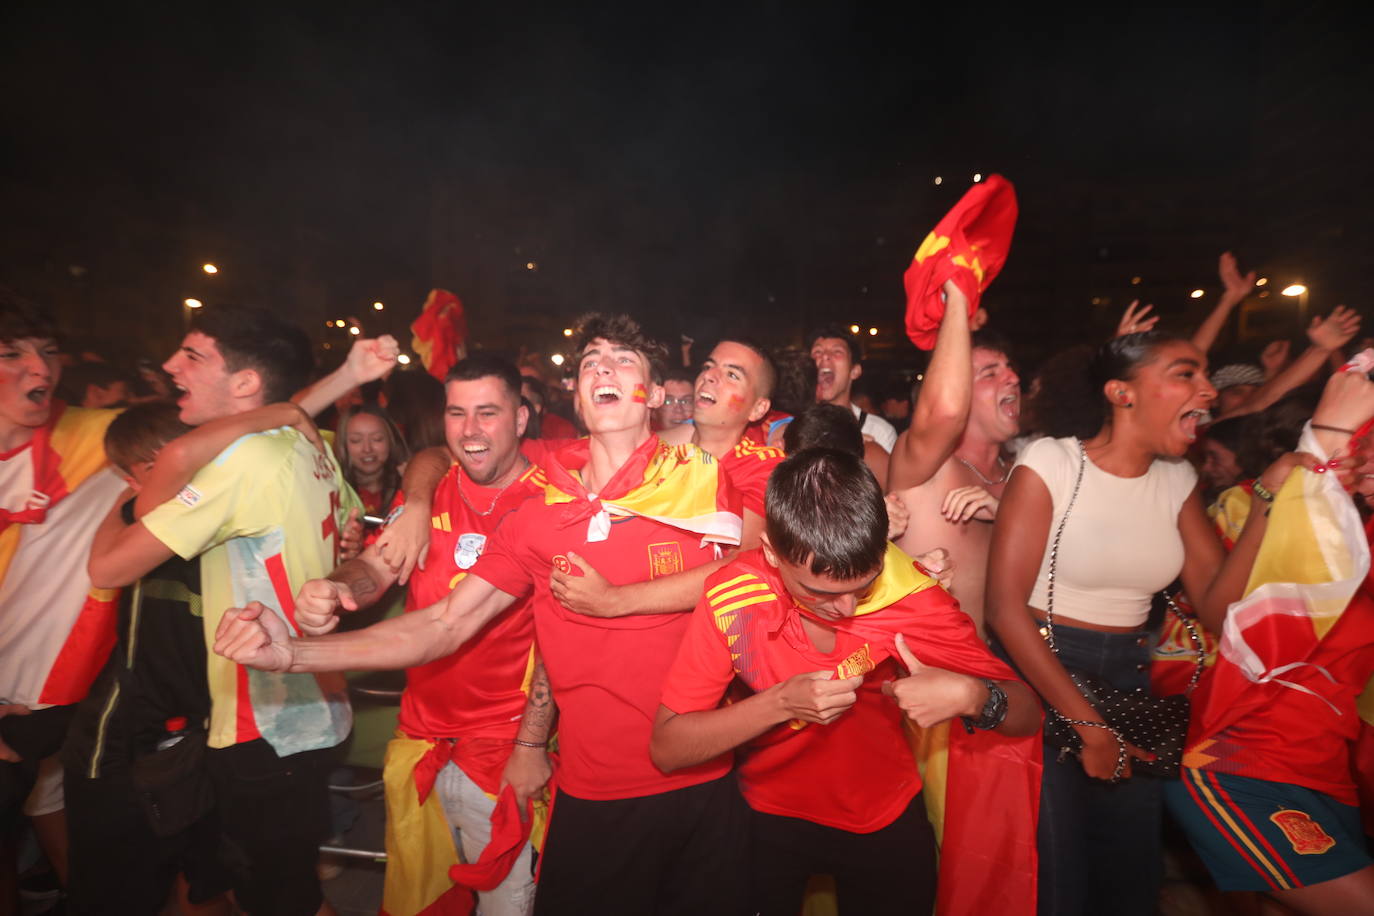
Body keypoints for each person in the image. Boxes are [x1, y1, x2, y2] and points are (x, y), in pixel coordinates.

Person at [215, 314, 751, 915]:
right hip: (596, 788)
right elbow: (443, 623)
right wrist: (291, 651)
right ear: (576, 395)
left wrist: (617, 602)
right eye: (591, 361)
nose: (604, 367)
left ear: (652, 395)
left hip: (704, 777)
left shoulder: (706, 483)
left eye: (624, 359)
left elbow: (761, 573)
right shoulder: (538, 514)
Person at [984, 329, 1313, 916]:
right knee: (1055, 878)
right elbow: (1005, 610)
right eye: (1186, 374)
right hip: (1043, 678)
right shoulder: (1052, 462)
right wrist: (1089, 727)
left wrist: (1265, 498)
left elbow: (1217, 608)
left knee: (1129, 878)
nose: (1208, 390)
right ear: (1122, 393)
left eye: (1205, 375)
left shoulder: (1177, 480)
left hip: (1130, 685)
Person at [650, 448, 1039, 915]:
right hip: (765, 817)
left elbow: (1027, 714)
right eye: (820, 592)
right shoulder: (734, 595)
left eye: (865, 586)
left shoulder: (910, 595)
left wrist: (974, 696)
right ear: (772, 553)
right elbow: (668, 748)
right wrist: (780, 704)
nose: (848, 609)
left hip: (884, 815)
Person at [85, 305, 379, 916]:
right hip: (311, 706)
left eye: (193, 355)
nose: (171, 365)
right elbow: (351, 521)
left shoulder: (246, 462)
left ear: (246, 382)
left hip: (262, 720)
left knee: (279, 899)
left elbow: (106, 569)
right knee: (266, 886)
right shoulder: (310, 444)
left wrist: (130, 497)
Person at [301, 355, 550, 916]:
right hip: (420, 741)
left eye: (488, 413)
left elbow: (561, 646)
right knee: (423, 904)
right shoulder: (431, 491)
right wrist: (334, 588)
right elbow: (376, 567)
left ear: (520, 418)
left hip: (503, 753)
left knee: (508, 906)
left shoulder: (552, 500)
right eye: (457, 413)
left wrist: (531, 747)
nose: (470, 430)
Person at [1166, 369, 1374, 915]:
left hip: (1328, 770)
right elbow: (1222, 613)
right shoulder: (1302, 512)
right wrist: (1269, 496)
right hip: (1244, 761)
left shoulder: (1360, 532)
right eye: (1364, 442)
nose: (1366, 458)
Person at [0, 290, 123, 912]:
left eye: (47, 352)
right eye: (11, 355)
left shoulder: (87, 440)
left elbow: (213, 432)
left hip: (32, 705)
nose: (40, 368)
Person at [889, 281, 1018, 634]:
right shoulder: (926, 466)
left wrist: (1005, 514)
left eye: (1010, 368)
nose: (1013, 378)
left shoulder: (1020, 474)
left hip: (993, 660)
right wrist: (958, 296)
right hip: (921, 661)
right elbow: (944, 412)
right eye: (990, 373)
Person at [657, 339, 786, 545]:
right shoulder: (656, 452)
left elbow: (739, 555)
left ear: (758, 409)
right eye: (708, 366)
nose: (709, 375)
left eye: (732, 375)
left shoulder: (762, 469)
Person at [808, 325, 897, 453]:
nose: (825, 356)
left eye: (837, 352)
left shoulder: (879, 432)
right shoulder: (791, 425)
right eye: (818, 352)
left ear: (854, 371)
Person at [335, 403, 408, 516]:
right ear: (343, 445)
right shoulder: (334, 488)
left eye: (377, 439)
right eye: (356, 440)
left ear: (391, 440)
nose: (367, 449)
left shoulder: (409, 481)